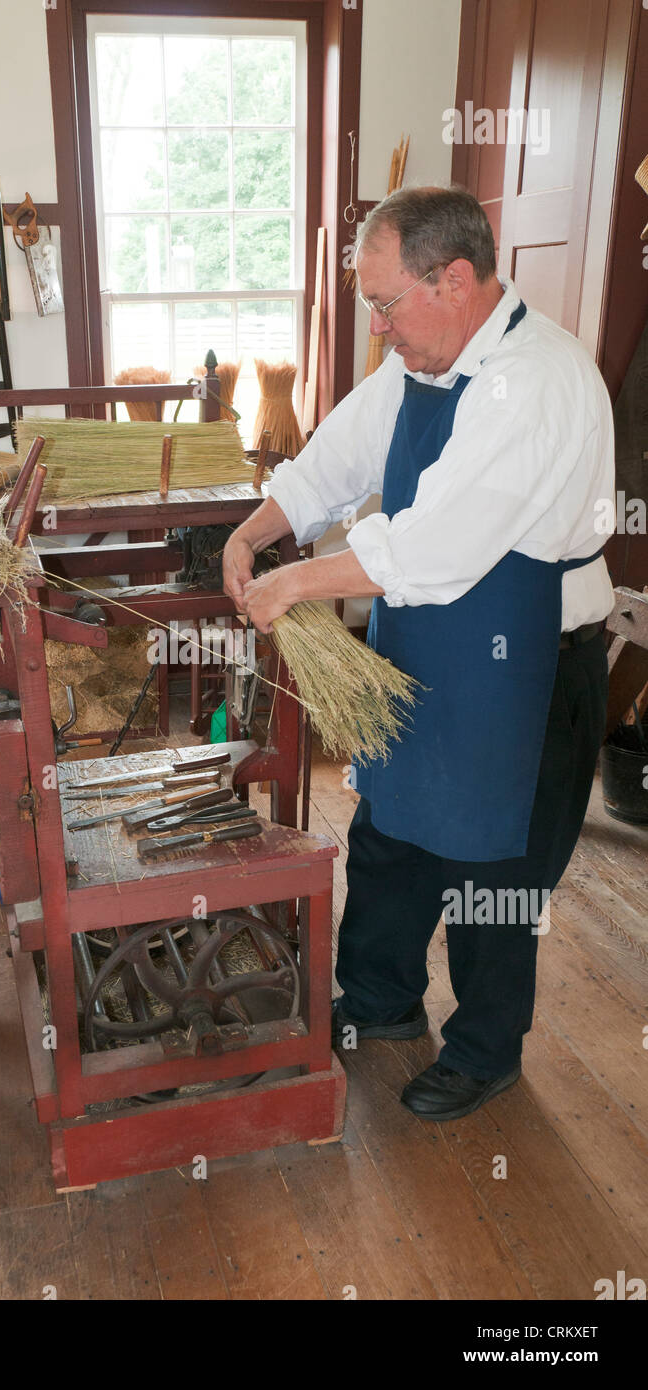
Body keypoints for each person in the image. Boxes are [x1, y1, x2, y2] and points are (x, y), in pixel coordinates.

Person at [222, 186, 614, 1121]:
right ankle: (379, 1003)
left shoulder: (535, 382)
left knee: (495, 874)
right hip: (423, 652)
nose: (379, 328)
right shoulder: (419, 365)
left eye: (387, 305)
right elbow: (332, 462)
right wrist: (253, 533)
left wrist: (291, 586)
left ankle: (483, 1053)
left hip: (530, 668)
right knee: (391, 834)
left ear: (457, 278)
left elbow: (434, 547)